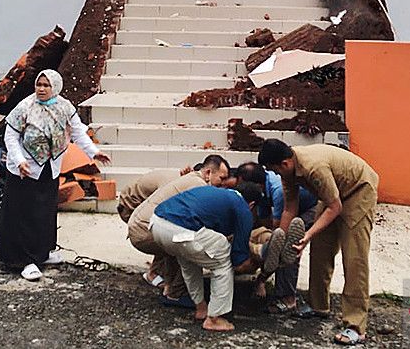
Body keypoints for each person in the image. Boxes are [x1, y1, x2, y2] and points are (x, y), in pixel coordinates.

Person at [258, 140, 379, 346]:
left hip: (359, 190)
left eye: (275, 171)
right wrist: (282, 240)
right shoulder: (289, 171)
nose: (277, 176)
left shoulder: (314, 168)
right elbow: (290, 208)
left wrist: (308, 234)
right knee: (320, 251)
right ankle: (318, 306)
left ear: (285, 164)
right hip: (334, 195)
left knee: (354, 259)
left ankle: (356, 326)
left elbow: (335, 207)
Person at [0, 70, 110, 281]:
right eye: (39, 84)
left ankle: (42, 252)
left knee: (44, 212)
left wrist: (94, 152)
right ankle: (24, 260)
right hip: (25, 170)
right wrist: (20, 160)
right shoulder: (25, 106)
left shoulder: (64, 106)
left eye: (46, 85)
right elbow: (10, 135)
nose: (41, 89)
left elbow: (77, 132)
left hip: (49, 168)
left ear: (55, 87)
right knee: (25, 214)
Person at [150, 183, 268, 332]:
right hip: (182, 229)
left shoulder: (217, 193)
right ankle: (214, 318)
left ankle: (201, 308)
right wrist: (253, 261)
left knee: (189, 262)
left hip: (156, 224)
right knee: (222, 259)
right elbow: (238, 258)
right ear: (251, 205)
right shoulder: (242, 207)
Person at [127, 155, 232, 302]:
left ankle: (169, 286)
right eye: (221, 179)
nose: (223, 185)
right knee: (190, 244)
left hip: (140, 225)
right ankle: (177, 293)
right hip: (144, 230)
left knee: (176, 239)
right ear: (208, 173)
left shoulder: (192, 178)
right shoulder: (199, 186)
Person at [233, 162, 316, 313]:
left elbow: (278, 234)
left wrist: (263, 275)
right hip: (291, 207)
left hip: (311, 208)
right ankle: (261, 258)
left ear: (257, 186)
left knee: (290, 245)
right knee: (269, 238)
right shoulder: (263, 188)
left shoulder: (278, 191)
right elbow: (265, 221)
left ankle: (287, 297)